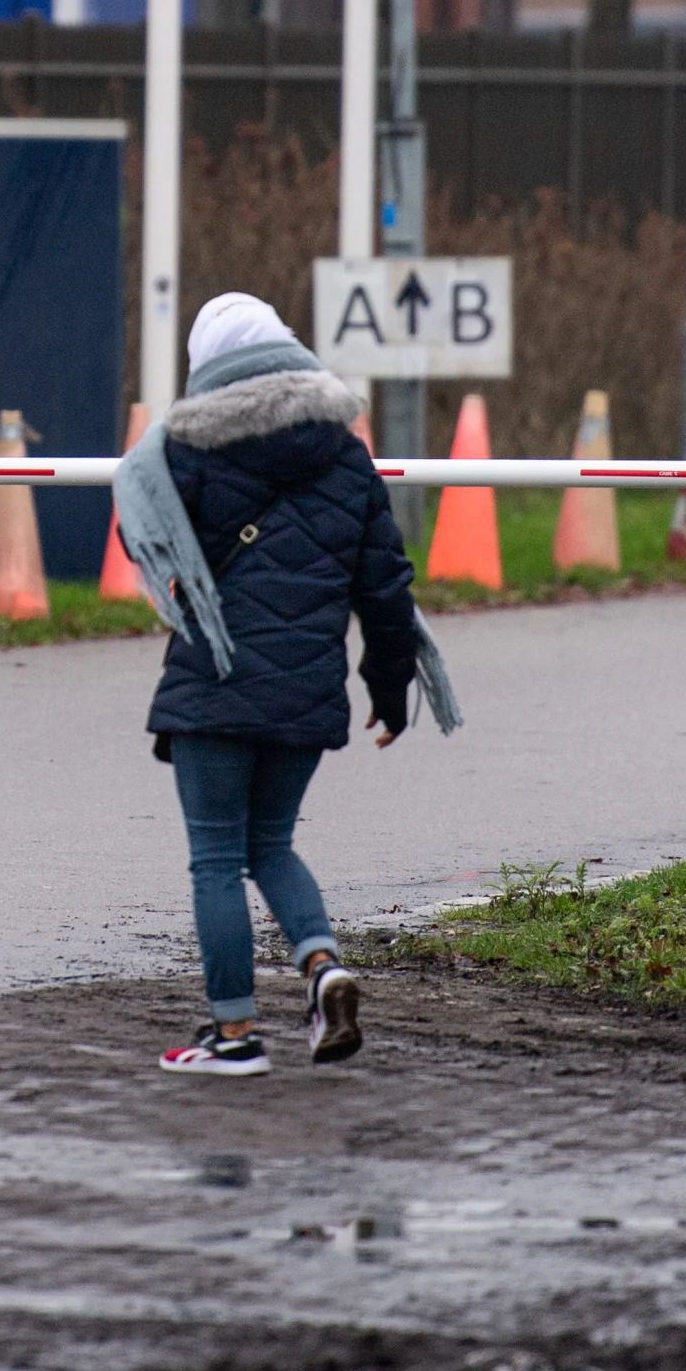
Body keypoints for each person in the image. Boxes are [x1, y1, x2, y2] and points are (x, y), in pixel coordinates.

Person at [108, 292, 458, 1075]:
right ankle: (322, 967)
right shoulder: (346, 454)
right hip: (307, 694)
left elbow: (149, 545)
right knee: (271, 845)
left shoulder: (180, 451)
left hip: (214, 683)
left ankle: (234, 1038)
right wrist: (390, 685)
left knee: (214, 859)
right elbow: (386, 586)